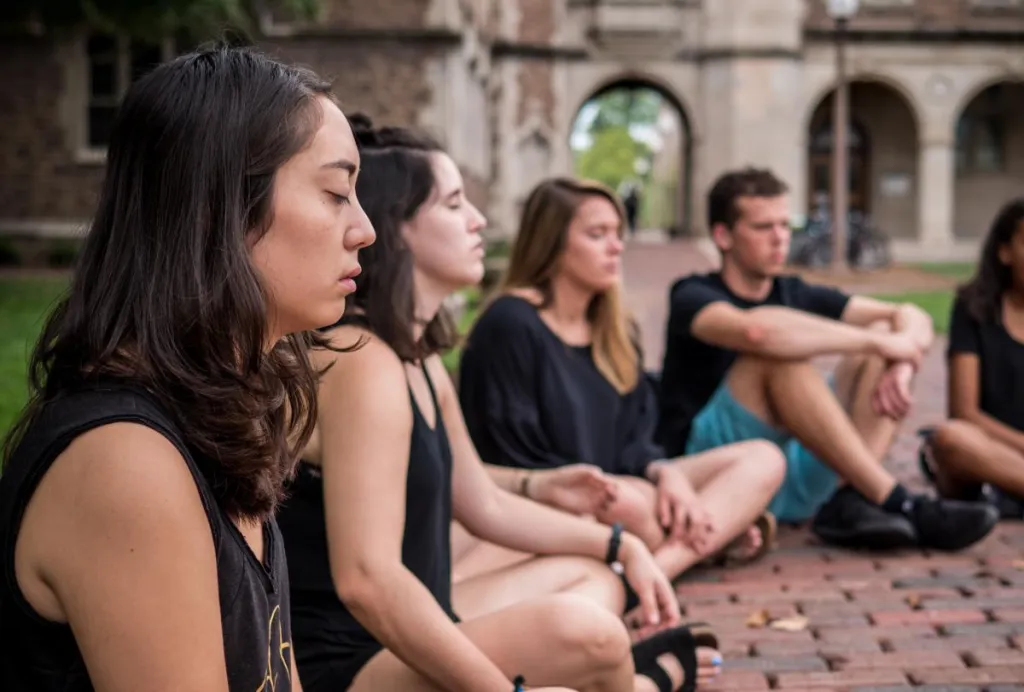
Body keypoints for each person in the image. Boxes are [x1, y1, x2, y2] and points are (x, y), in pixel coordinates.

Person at [277, 118, 720, 692]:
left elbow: (485, 503)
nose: (478, 220)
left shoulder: (417, 357)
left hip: (410, 624)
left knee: (595, 579)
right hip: (346, 665)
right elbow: (367, 582)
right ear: (397, 228)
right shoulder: (363, 361)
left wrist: (620, 543)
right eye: (454, 204)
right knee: (592, 633)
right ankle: (640, 684)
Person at [0, 46, 375, 691]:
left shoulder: (220, 412)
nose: (364, 229)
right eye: (336, 193)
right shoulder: (126, 462)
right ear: (218, 208)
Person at [456, 177, 785, 590]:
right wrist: (618, 489)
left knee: (763, 459)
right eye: (597, 235)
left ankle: (655, 573)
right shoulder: (511, 324)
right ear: (552, 243)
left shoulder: (615, 328)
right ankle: (706, 540)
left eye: (617, 234)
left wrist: (666, 473)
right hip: (551, 502)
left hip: (625, 489)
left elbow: (636, 438)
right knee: (629, 502)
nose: (616, 247)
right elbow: (509, 454)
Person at [654, 166, 999, 552]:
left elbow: (908, 315)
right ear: (723, 236)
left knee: (880, 342)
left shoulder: (793, 291)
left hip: (792, 473)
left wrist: (900, 361)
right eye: (763, 227)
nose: (780, 238)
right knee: (778, 359)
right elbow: (757, 333)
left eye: (785, 225)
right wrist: (882, 343)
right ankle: (898, 501)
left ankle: (853, 501)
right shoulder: (692, 295)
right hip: (715, 474)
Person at [921, 199, 1024, 518]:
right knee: (949, 439)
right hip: (988, 451)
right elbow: (964, 412)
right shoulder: (973, 309)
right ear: (1005, 252)